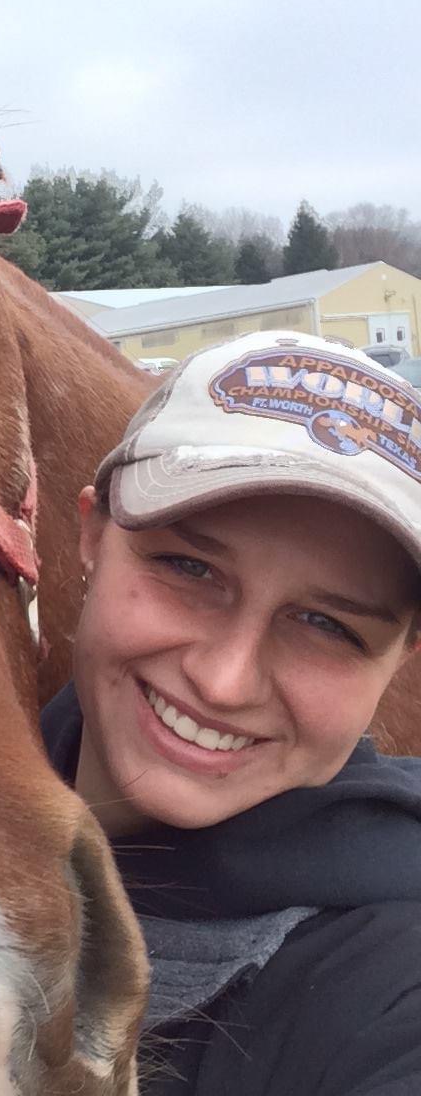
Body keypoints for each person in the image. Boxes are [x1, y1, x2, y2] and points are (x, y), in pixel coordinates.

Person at [43, 330, 421, 1094]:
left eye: (329, 625)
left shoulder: (387, 985)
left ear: (400, 661)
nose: (223, 682)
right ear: (91, 534)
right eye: (190, 568)